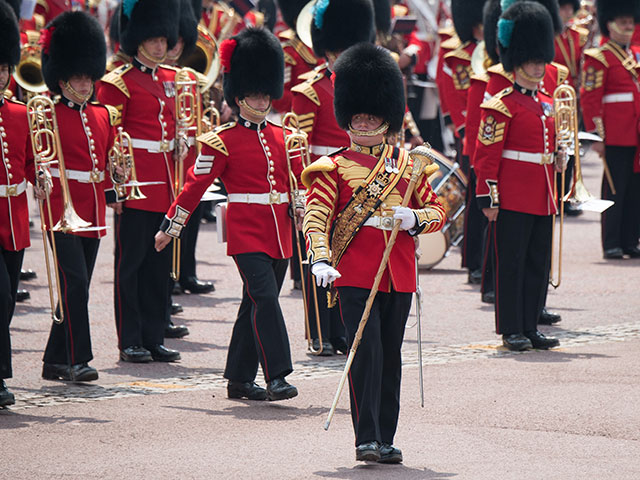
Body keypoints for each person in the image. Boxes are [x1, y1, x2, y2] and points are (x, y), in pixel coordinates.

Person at [302, 42, 446, 463]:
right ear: (347, 116)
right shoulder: (333, 166)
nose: (363, 121)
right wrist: (321, 257)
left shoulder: (409, 165)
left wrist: (414, 219)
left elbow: (438, 211)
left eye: (370, 114)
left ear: (386, 115)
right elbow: (317, 214)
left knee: (390, 357)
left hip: (397, 272)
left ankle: (386, 436)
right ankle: (365, 437)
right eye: (357, 115)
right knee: (365, 355)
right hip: (356, 271)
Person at [155, 27, 300, 402]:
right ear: (239, 96)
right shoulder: (221, 140)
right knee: (266, 299)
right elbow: (194, 186)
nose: (262, 99)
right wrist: (172, 226)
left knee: (252, 303)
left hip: (281, 230)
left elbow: (298, 185)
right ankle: (277, 375)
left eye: (266, 93)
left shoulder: (285, 137)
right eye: (254, 93)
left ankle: (238, 379)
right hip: (245, 231)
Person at [97, 0, 183, 363]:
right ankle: (129, 339)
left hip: (165, 184)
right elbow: (108, 138)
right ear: (137, 40)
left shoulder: (170, 79)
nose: (160, 46)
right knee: (130, 267)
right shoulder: (118, 83)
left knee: (158, 268)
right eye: (152, 40)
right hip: (135, 185)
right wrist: (112, 187)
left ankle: (152, 336)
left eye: (163, 40)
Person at [474, 1, 562, 352]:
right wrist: (489, 198)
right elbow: (486, 156)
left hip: (542, 194)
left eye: (542, 60)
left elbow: (546, 145)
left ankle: (530, 324)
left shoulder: (546, 102)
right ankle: (511, 328)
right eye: (533, 61)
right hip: (511, 196)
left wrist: (559, 159)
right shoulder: (501, 104)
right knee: (510, 265)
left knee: (537, 263)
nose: (540, 67)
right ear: (517, 61)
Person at [38, 11, 120, 381]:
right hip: (60, 209)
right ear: (62, 77)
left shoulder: (102, 115)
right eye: (78, 77)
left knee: (79, 286)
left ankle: (53, 360)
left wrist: (115, 183)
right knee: (74, 286)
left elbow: (108, 162)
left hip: (92, 209)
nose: (85, 84)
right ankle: (77, 359)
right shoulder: (48, 115)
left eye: (89, 77)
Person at [290, 0, 375, 355]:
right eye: (337, 50)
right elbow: (298, 148)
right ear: (326, 50)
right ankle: (320, 333)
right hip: (323, 182)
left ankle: (344, 330)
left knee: (351, 258)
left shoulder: (366, 83)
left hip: (359, 185)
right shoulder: (308, 91)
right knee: (320, 255)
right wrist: (300, 193)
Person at [581, 0, 640, 259]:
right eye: (623, 22)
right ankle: (612, 242)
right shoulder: (600, 58)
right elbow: (590, 98)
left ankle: (630, 240)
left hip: (634, 133)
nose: (628, 27)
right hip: (614, 135)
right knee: (615, 189)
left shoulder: (632, 55)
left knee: (634, 190)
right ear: (610, 24)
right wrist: (596, 135)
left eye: (631, 22)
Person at [0, 0, 34, 406]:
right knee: (1, 296)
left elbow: (25, 163)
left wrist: (38, 178)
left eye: (6, 68)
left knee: (6, 301)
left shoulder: (20, 113)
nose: (4, 75)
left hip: (15, 219)